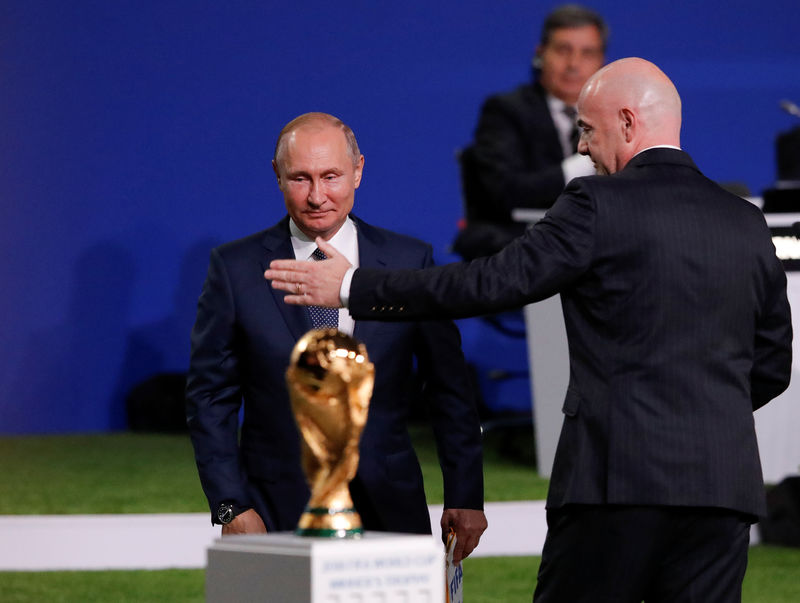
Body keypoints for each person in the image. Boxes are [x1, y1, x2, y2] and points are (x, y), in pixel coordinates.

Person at [265, 60, 793, 602]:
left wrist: (352, 287)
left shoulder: (596, 203)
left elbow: (490, 282)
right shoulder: (745, 221)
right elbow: (773, 364)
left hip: (614, 485)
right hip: (724, 489)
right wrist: (703, 413)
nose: (582, 149)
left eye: (586, 130)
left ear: (629, 123)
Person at [186, 112, 487, 563]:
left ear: (359, 171)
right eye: (300, 178)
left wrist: (466, 494)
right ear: (277, 176)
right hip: (274, 506)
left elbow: (449, 389)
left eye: (331, 177)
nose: (316, 196)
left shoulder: (409, 262)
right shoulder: (235, 269)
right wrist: (230, 506)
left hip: (390, 503)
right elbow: (210, 396)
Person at [454, 4, 607, 259]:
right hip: (517, 251)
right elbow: (504, 191)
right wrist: (577, 168)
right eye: (563, 50)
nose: (574, 64)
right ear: (541, 53)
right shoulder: (505, 111)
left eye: (587, 53)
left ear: (602, 62)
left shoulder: (614, 117)